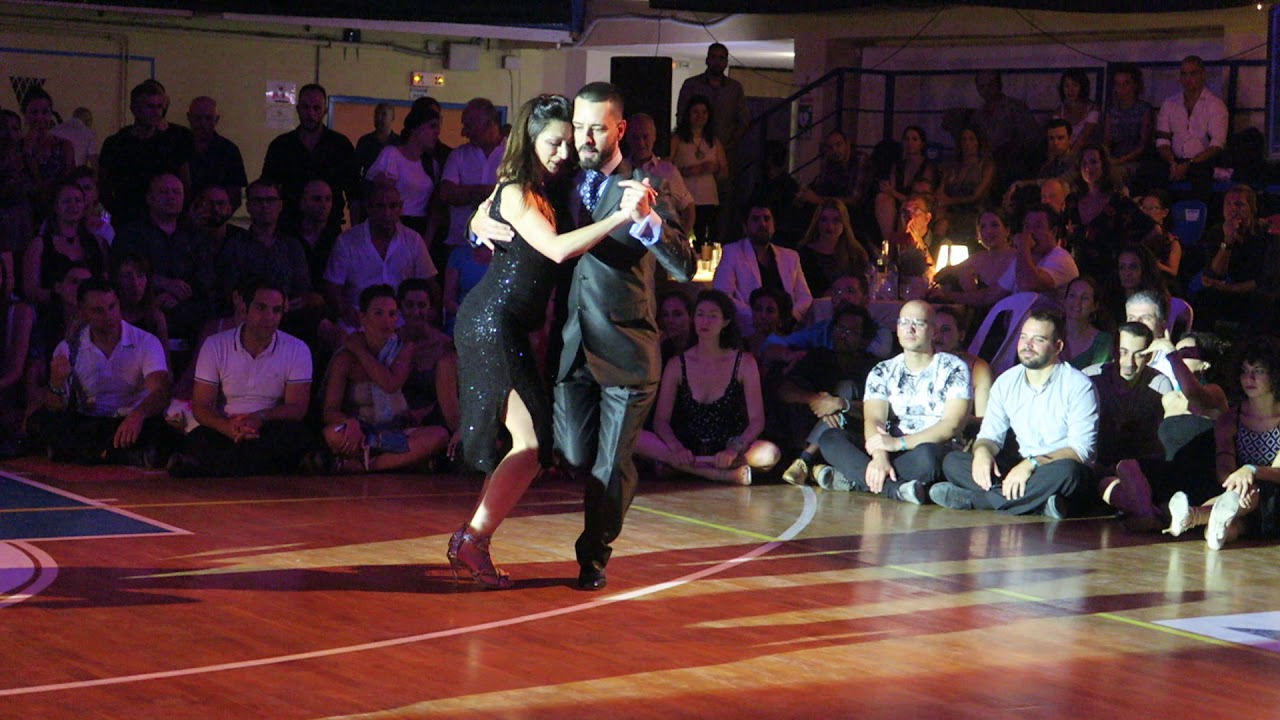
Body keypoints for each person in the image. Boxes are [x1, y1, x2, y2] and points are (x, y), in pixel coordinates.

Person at [475, 82, 695, 591]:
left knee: (609, 465)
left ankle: (593, 554)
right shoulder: (561, 179)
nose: (584, 138)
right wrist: (477, 221)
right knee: (573, 455)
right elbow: (506, 198)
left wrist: (649, 222)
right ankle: (618, 476)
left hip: (627, 351)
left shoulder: (644, 184)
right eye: (578, 127)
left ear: (620, 129)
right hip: (572, 349)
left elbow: (684, 265)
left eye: (597, 128)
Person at [933, 310, 1098, 517]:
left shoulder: (1079, 385)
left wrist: (1033, 463)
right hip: (1018, 465)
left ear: (1058, 347)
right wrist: (982, 453)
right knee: (953, 462)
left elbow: (1082, 451)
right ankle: (1039, 504)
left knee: (1069, 472)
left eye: (1038, 339)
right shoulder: (1006, 381)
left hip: (1054, 466)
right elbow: (990, 436)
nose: (1027, 345)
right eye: (1023, 337)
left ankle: (977, 500)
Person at [814, 300, 970, 503]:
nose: (910, 328)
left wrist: (899, 443)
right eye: (904, 322)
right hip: (889, 448)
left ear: (933, 330)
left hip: (927, 449)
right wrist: (879, 457)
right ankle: (894, 489)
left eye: (918, 323)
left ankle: (856, 480)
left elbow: (952, 425)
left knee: (930, 456)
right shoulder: (882, 370)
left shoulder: (954, 367)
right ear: (897, 328)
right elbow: (874, 419)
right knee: (830, 438)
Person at [167, 278, 316, 477]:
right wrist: (227, 427)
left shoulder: (297, 349)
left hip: (270, 426)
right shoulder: (215, 345)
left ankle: (213, 467)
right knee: (199, 438)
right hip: (228, 426)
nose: (269, 317)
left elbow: (297, 408)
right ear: (245, 310)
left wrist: (259, 418)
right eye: (261, 308)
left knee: (294, 436)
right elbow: (201, 406)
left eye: (276, 310)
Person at [636, 289, 779, 484]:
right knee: (634, 437)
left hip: (729, 446)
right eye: (700, 315)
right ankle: (716, 473)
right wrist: (676, 448)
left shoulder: (744, 362)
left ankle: (681, 467)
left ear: (725, 322)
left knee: (769, 453)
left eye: (712, 316)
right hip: (687, 446)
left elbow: (757, 420)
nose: (705, 322)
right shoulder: (677, 363)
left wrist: (733, 449)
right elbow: (661, 420)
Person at [28, 278, 175, 466]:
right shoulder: (69, 348)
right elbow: (55, 407)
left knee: (162, 432)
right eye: (98, 311)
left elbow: (161, 391)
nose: (108, 316)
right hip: (90, 422)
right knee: (41, 422)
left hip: (133, 422)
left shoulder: (145, 342)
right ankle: (114, 454)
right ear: (82, 312)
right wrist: (56, 382)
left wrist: (138, 415)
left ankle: (89, 453)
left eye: (112, 307)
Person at [1159, 339, 1280, 549]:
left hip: (1273, 497)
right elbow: (1224, 468)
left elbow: (1277, 472)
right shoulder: (1230, 418)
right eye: (1244, 371)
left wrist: (1251, 471)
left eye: (1258, 371)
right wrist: (1237, 483)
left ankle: (1191, 516)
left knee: (1257, 491)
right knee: (1226, 525)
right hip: (1238, 497)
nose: (1249, 378)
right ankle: (1214, 531)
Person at [319, 284, 449, 473]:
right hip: (361, 431)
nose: (386, 321)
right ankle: (400, 459)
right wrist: (350, 422)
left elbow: (390, 384)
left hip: (396, 430)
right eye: (378, 313)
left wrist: (360, 351)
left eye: (392, 314)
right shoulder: (346, 357)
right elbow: (329, 411)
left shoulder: (404, 349)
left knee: (440, 435)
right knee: (332, 434)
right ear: (362, 317)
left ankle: (366, 465)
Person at [776, 302, 878, 484]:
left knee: (846, 388)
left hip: (851, 435)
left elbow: (880, 410)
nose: (842, 335)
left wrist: (840, 405)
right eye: (840, 328)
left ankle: (805, 460)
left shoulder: (872, 367)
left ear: (864, 339)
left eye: (851, 332)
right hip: (807, 430)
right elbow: (784, 391)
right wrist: (816, 400)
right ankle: (810, 464)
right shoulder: (819, 357)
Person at [324, 183, 437, 333]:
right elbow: (332, 286)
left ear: (401, 208)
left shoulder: (413, 240)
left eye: (393, 206)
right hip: (359, 321)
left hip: (403, 321)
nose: (387, 213)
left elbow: (429, 283)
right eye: (380, 206)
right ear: (369, 207)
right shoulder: (347, 241)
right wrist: (345, 309)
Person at [261, 83, 358, 229]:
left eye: (316, 108)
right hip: (289, 227)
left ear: (325, 111)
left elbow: (354, 194)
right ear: (298, 109)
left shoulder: (341, 146)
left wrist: (357, 233)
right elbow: (268, 190)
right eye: (305, 107)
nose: (310, 113)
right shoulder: (281, 146)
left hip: (329, 228)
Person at [99, 81, 193, 226]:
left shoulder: (173, 143)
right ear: (134, 109)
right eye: (150, 106)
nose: (156, 113)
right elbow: (103, 187)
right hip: (127, 221)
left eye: (159, 107)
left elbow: (185, 185)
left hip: (164, 221)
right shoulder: (116, 144)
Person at [1083, 321, 1172, 474]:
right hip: (1093, 465)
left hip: (1140, 469)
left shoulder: (1160, 385)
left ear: (1149, 356)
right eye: (1123, 352)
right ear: (1113, 351)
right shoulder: (1090, 379)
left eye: (1138, 355)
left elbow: (1165, 440)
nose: (1129, 363)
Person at [712, 202, 812, 334]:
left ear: (774, 225)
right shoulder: (732, 252)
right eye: (755, 219)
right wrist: (760, 317)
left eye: (767, 218)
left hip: (787, 329)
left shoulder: (790, 257)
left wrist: (788, 318)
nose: (762, 224)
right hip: (749, 329)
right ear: (745, 226)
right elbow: (723, 294)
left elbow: (805, 297)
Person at [1065, 143, 1154, 281]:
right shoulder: (1072, 201)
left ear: (1104, 165)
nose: (1088, 167)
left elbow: (1153, 230)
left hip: (1110, 278)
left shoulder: (1119, 202)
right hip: (1078, 277)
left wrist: (1131, 257)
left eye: (1094, 162)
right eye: (1084, 163)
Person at [437, 98, 506, 276]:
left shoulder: (512, 155)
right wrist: (493, 193)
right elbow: (447, 194)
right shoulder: (458, 155)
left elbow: (521, 195)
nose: (463, 132)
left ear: (489, 124)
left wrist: (468, 192)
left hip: (502, 249)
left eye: (469, 126)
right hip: (459, 244)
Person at [1153, 56, 1227, 199]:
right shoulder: (1169, 103)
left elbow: (1217, 145)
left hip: (1201, 162)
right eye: (1184, 74)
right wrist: (1172, 163)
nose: (1188, 79)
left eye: (1193, 74)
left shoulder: (1215, 105)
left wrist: (1189, 164)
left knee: (1202, 176)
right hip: (1174, 159)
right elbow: (1162, 140)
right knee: (1149, 171)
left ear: (1203, 75)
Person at [22, 179, 106, 306]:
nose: (73, 206)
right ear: (55, 206)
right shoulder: (39, 245)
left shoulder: (97, 242)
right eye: (67, 201)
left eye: (78, 201)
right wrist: (61, 295)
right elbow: (30, 290)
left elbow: (105, 279)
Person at [366, 102, 440, 239]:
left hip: (421, 227)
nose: (437, 132)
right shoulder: (392, 155)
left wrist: (427, 238)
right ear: (416, 129)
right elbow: (384, 195)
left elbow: (434, 207)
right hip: (393, 224)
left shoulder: (431, 164)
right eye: (432, 126)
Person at [676, 43, 749, 169]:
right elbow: (682, 116)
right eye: (714, 57)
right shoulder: (692, 85)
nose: (717, 62)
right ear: (707, 60)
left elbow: (743, 120)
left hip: (726, 151)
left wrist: (730, 145)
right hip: (693, 149)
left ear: (726, 62)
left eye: (722, 58)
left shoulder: (735, 88)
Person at [670, 94, 727, 249]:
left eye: (704, 112)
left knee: (706, 244)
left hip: (709, 201)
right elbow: (666, 168)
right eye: (695, 112)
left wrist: (715, 168)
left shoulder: (714, 141)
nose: (700, 116)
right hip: (684, 201)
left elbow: (724, 173)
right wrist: (687, 171)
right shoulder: (677, 139)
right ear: (688, 114)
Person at [929, 209, 1018, 308]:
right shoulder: (978, 258)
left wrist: (954, 293)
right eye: (983, 227)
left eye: (994, 225)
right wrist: (963, 274)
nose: (988, 231)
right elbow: (942, 274)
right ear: (978, 235)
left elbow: (987, 297)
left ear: (1007, 230)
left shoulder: (1016, 257)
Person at [625, 112, 696, 232]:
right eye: (635, 138)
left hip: (659, 239)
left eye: (645, 137)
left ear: (654, 137)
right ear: (627, 138)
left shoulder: (668, 171)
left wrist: (681, 237)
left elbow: (687, 206)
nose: (641, 143)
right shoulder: (619, 169)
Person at [874, 126, 938, 245]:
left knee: (908, 207)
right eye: (907, 139)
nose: (910, 143)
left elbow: (923, 196)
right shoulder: (898, 166)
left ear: (922, 143)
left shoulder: (927, 167)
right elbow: (890, 188)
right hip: (899, 201)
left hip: (917, 203)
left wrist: (893, 193)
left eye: (914, 139)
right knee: (882, 198)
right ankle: (888, 242)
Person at [934, 125, 995, 250]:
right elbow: (941, 192)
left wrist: (950, 201)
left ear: (978, 142)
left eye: (971, 139)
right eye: (964, 139)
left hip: (975, 210)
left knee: (946, 223)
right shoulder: (954, 167)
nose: (967, 143)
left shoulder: (986, 165)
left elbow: (976, 196)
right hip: (952, 211)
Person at [18, 87, 75, 220]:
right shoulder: (17, 147)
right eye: (34, 112)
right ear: (25, 114)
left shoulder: (64, 146)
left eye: (45, 112)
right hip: (24, 212)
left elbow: (70, 179)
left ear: (50, 114)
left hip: (57, 211)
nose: (40, 117)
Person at [795, 198, 869, 299]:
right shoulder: (803, 254)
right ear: (817, 223)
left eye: (836, 220)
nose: (830, 226)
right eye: (824, 220)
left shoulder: (855, 254)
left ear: (844, 224)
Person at [186, 96, 248, 211]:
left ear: (217, 119)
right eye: (198, 118)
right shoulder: (177, 146)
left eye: (208, 118)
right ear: (189, 117)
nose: (203, 123)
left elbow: (235, 198)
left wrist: (217, 217)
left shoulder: (229, 151)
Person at [1102, 63, 1153, 181]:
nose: (1122, 88)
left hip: (1136, 162)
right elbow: (1106, 141)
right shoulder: (1111, 111)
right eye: (1118, 84)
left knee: (1114, 174)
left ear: (1135, 85)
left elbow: (1143, 146)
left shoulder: (1144, 110)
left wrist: (1119, 161)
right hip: (1113, 159)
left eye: (1126, 83)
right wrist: (1108, 158)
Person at [1062, 275, 1112, 370]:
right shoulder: (1050, 334)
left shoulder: (1103, 341)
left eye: (1085, 298)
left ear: (1094, 306)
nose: (1077, 302)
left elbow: (1098, 375)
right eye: (1072, 295)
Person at [1135, 190, 1183, 280]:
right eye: (1143, 208)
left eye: (1152, 208)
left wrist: (1152, 262)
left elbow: (1173, 272)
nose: (1145, 212)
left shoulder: (1171, 242)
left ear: (1164, 212)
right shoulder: (1134, 234)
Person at [1054, 69, 1101, 153]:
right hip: (1065, 152)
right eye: (1066, 86)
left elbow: (1084, 137)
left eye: (1075, 85)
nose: (1070, 90)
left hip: (1088, 152)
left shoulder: (1092, 108)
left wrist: (1070, 156)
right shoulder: (1059, 112)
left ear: (1082, 87)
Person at [355, 103, 398, 178]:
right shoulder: (364, 141)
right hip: (369, 184)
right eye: (376, 114)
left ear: (392, 118)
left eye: (384, 114)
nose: (379, 118)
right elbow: (355, 169)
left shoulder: (400, 143)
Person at [657, 289, 695, 367]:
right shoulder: (663, 347)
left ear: (691, 317)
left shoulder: (701, 347)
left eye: (677, 314)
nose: (670, 320)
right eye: (665, 314)